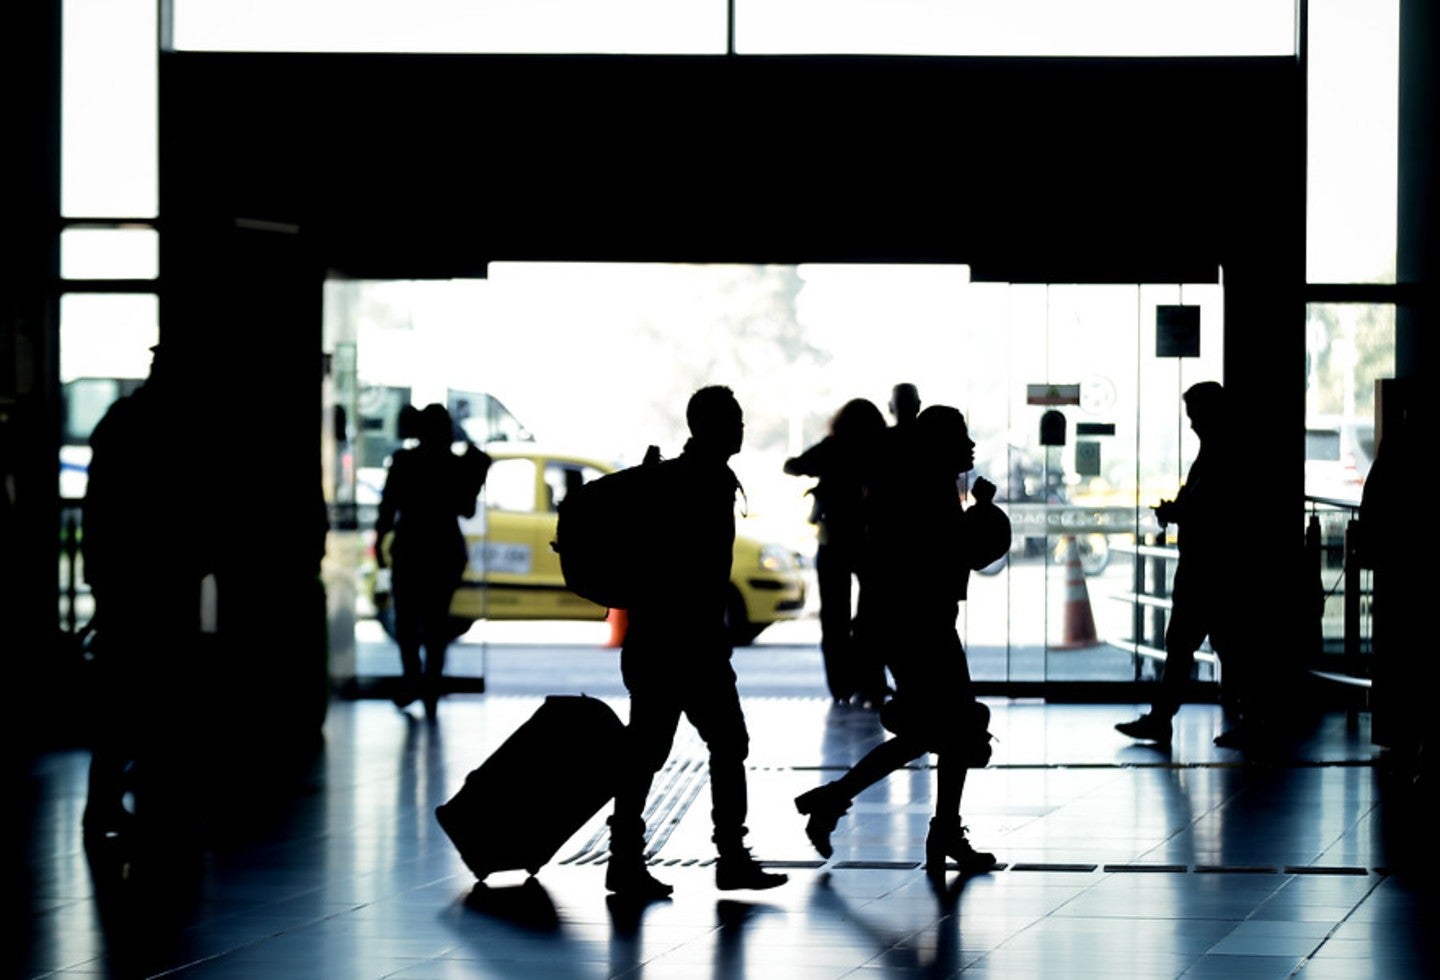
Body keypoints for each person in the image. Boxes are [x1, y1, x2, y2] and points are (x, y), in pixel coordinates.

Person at [793, 405, 1001, 878]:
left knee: (939, 730)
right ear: (939, 446)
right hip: (919, 627)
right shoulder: (924, 490)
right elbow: (950, 551)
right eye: (961, 437)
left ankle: (846, 802)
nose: (970, 445)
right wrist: (983, 513)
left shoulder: (919, 485)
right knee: (953, 726)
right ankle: (936, 828)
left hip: (913, 625)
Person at [605, 385, 788, 899]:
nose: (741, 429)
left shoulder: (680, 477)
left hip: (662, 639)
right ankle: (725, 858)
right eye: (733, 421)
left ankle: (629, 858)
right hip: (685, 644)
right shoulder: (700, 481)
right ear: (707, 427)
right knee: (712, 745)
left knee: (653, 749)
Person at [80, 343, 211, 843]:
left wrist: (98, 571)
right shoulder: (180, 427)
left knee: (121, 696)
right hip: (166, 581)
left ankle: (108, 803)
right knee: (166, 697)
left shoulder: (123, 421)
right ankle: (159, 806)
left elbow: (100, 506)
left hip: (127, 579)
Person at [1115, 381, 1247, 746]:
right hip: (1212, 567)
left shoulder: (1218, 457)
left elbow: (1210, 507)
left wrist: (1178, 511)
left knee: (1189, 644)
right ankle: (1250, 718)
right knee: (1215, 644)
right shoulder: (1223, 452)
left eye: (1195, 416)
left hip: (1208, 568)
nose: (1191, 424)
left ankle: (1163, 719)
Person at [374, 403, 490, 721]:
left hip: (411, 549)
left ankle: (414, 680)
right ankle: (430, 687)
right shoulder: (454, 465)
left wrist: (380, 543)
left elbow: (387, 508)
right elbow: (466, 509)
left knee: (407, 624)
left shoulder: (404, 461)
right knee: (436, 624)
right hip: (444, 550)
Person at [783, 398, 888, 706]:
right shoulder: (878, 448)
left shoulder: (833, 446)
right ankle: (871, 680)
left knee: (833, 618)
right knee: (872, 616)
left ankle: (841, 685)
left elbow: (793, 466)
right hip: (869, 541)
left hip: (833, 539)